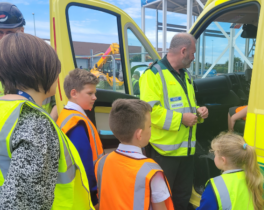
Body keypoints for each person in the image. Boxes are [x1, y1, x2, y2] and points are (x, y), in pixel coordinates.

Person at [0, 33, 94, 209]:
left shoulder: (7, 111)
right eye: (56, 71)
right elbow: (25, 203)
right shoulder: (35, 123)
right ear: (43, 72)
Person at [140, 33, 209, 209]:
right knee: (162, 200)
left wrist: (198, 112)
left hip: (186, 152)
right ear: (183, 51)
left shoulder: (185, 76)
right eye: (193, 53)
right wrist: (181, 119)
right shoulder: (153, 75)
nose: (194, 57)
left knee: (182, 198)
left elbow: (186, 108)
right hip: (165, 154)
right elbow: (150, 111)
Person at [95, 99, 174, 210]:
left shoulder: (101, 162)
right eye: (150, 126)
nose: (151, 129)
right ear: (139, 134)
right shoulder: (151, 172)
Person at [0, 2, 58, 119]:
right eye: (0, 33)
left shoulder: (38, 59)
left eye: (9, 33)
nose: (4, 38)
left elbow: (58, 100)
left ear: (21, 31)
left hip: (39, 126)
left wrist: (47, 125)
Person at [56, 68, 104, 208]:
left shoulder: (67, 115)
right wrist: (94, 198)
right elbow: (85, 165)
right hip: (85, 194)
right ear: (74, 93)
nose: (94, 97)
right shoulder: (76, 123)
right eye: (90, 93)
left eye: (94, 93)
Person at [196, 132, 264, 210]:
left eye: (215, 154)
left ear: (223, 160)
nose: (214, 157)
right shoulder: (252, 178)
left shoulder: (215, 187)